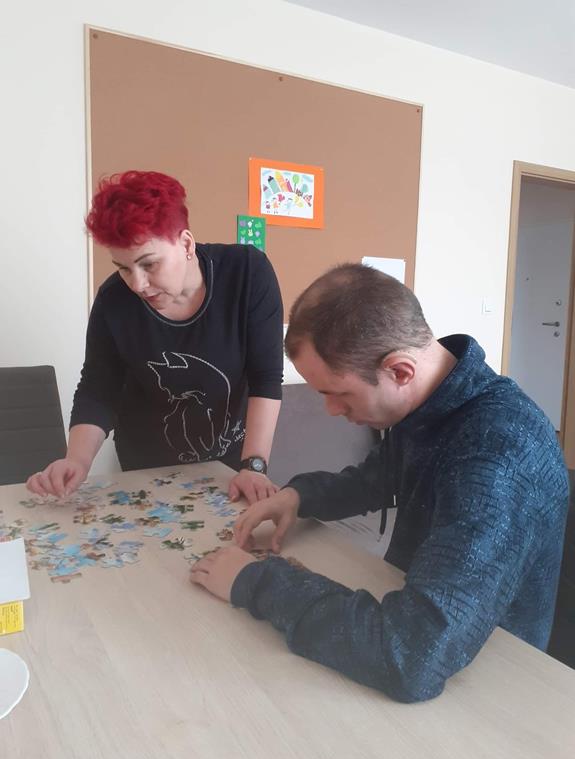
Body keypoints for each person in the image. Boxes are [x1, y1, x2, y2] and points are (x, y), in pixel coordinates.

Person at [190, 263, 569, 702]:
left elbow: (411, 654)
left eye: (339, 393)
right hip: (423, 616)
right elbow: (380, 476)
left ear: (401, 371)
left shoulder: (498, 453)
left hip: (493, 685)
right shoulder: (434, 400)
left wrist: (256, 582)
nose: (332, 411)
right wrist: (299, 495)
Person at [27, 171, 284, 504]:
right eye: (123, 268)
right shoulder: (113, 301)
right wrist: (76, 460)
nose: (137, 284)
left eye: (148, 265)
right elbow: (98, 388)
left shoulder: (247, 272)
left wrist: (254, 465)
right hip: (145, 467)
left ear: (186, 244)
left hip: (233, 463)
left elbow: (265, 378)